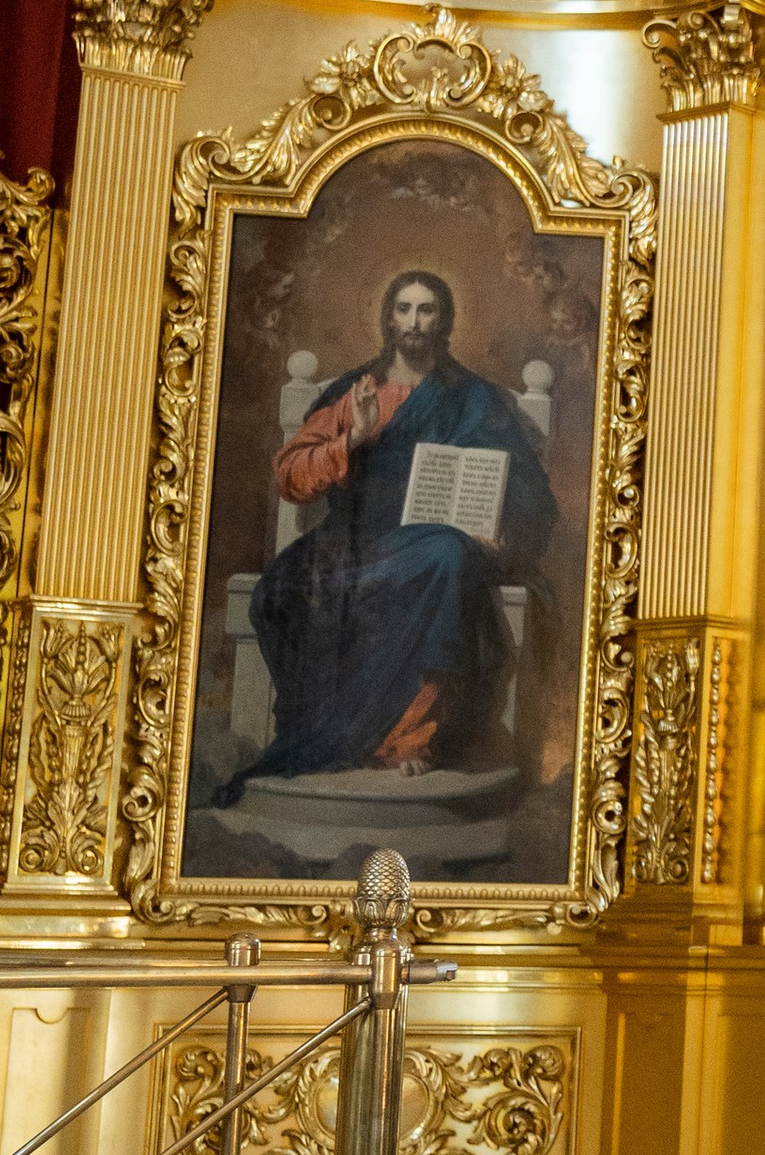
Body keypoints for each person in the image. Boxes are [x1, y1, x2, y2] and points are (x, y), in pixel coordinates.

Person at [220, 269, 557, 799]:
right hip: (354, 540)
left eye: (426, 310)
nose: (414, 322)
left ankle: (409, 737)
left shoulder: (474, 398)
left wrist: (499, 531)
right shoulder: (356, 391)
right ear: (388, 318)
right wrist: (352, 437)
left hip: (432, 540)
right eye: (404, 309)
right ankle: (345, 732)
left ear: (444, 320)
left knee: (447, 557)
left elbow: (526, 487)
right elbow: (291, 474)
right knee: (285, 590)